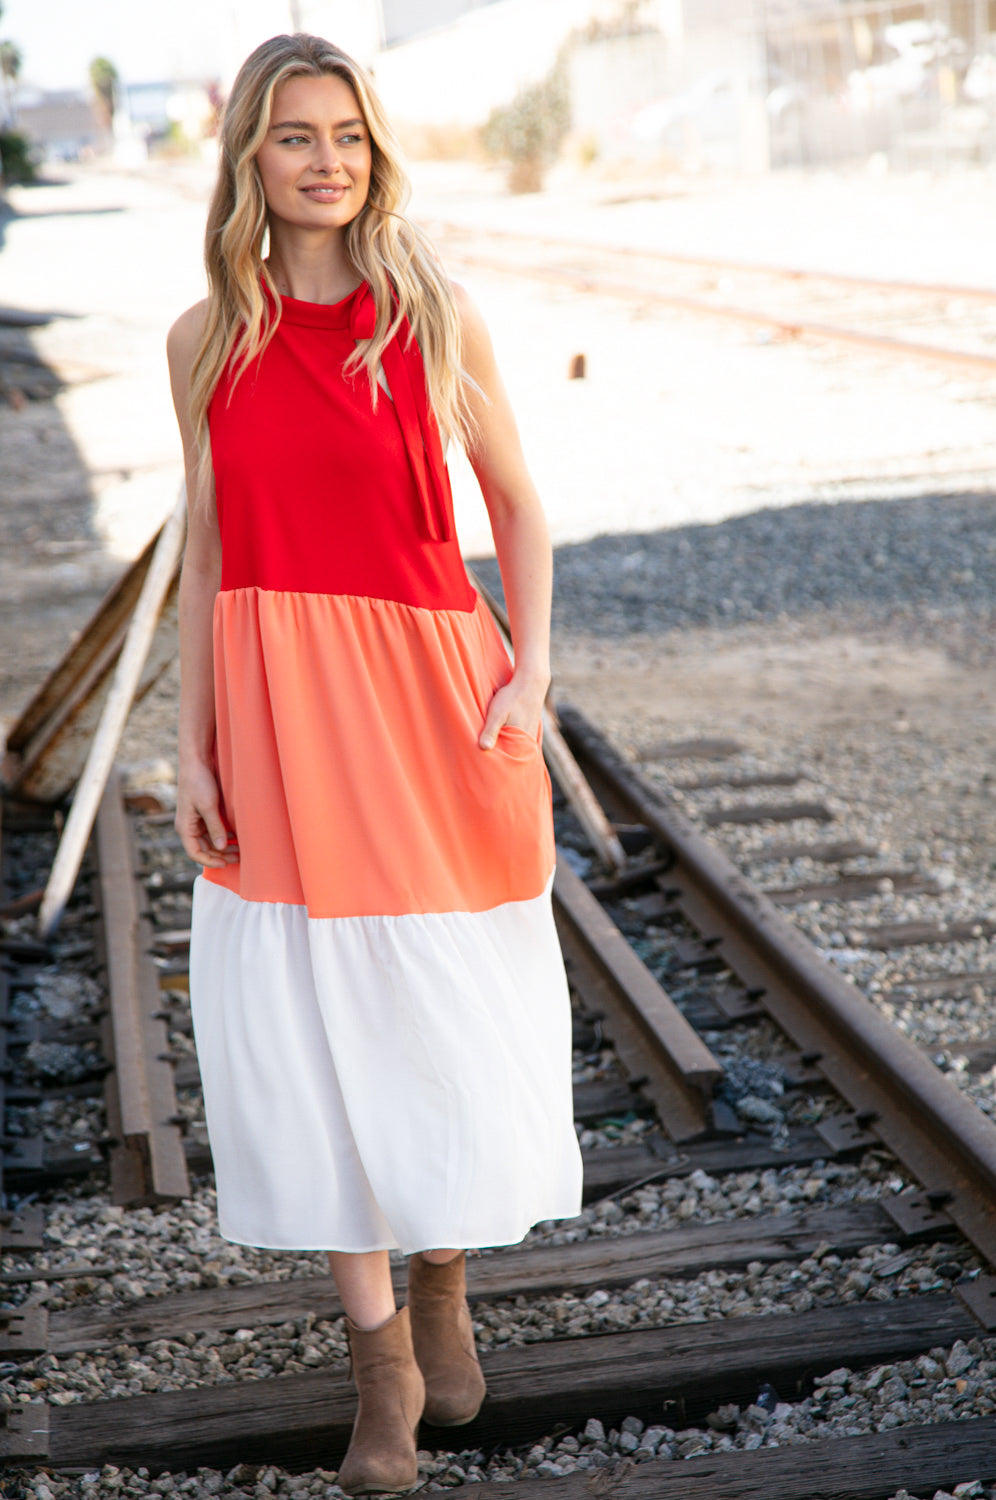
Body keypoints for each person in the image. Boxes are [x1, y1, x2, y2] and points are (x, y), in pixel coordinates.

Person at [167, 32, 583, 1496]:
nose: (326, 158)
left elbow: (522, 510)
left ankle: (449, 1272)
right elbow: (209, 560)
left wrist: (528, 677)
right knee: (303, 1024)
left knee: (432, 1005)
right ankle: (382, 1364)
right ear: (251, 162)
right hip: (280, 714)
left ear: (373, 149)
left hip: (428, 700)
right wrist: (193, 745)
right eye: (294, 135)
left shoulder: (431, 314)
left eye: (346, 131)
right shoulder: (204, 338)